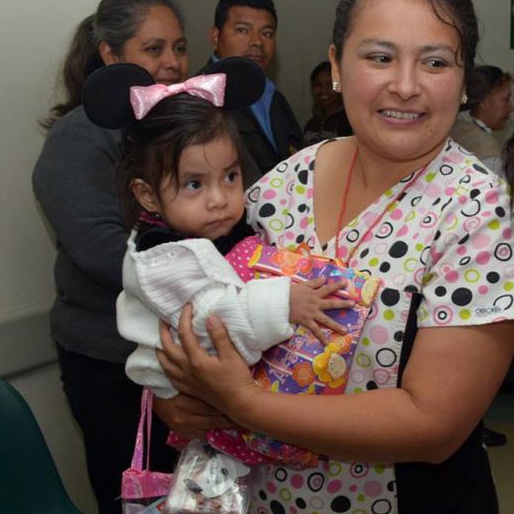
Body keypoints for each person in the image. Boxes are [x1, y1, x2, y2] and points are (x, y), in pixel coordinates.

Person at [152, 0, 514, 514]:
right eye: (379, 57)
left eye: (434, 62)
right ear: (336, 63)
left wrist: (242, 404)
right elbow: (193, 303)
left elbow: (433, 423)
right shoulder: (279, 186)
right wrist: (178, 395)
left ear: (462, 81)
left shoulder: (478, 211)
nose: (405, 86)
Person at [79, 59, 355, 470]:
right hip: (191, 397)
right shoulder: (160, 258)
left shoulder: (215, 227)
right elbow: (212, 317)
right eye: (195, 184)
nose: (219, 199)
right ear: (148, 195)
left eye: (230, 176)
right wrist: (286, 303)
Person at [31, 0, 190, 514]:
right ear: (110, 55)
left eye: (179, 48)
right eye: (154, 49)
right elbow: (102, 250)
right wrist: (201, 272)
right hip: (110, 364)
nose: (171, 63)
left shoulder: (183, 128)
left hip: (181, 355)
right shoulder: (81, 136)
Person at [208, 0, 303, 175]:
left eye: (266, 33)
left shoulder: (273, 96)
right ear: (216, 37)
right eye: (242, 30)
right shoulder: (201, 96)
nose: (257, 42)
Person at [450, 64, 514, 171]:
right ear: (484, 102)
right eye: (506, 99)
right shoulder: (488, 153)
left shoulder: (452, 128)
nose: (511, 107)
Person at [303, 60, 353, 145]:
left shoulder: (350, 121)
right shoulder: (311, 124)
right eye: (318, 85)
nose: (323, 90)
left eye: (330, 85)